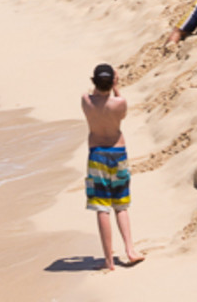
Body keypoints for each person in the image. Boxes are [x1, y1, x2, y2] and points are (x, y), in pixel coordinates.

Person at [82, 64, 144, 270]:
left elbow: (94, 96)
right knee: (121, 205)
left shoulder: (86, 101)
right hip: (118, 153)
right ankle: (130, 249)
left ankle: (109, 260)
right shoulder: (120, 103)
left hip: (97, 154)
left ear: (94, 81)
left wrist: (103, 84)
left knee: (102, 207)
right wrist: (116, 87)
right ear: (113, 82)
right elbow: (121, 112)